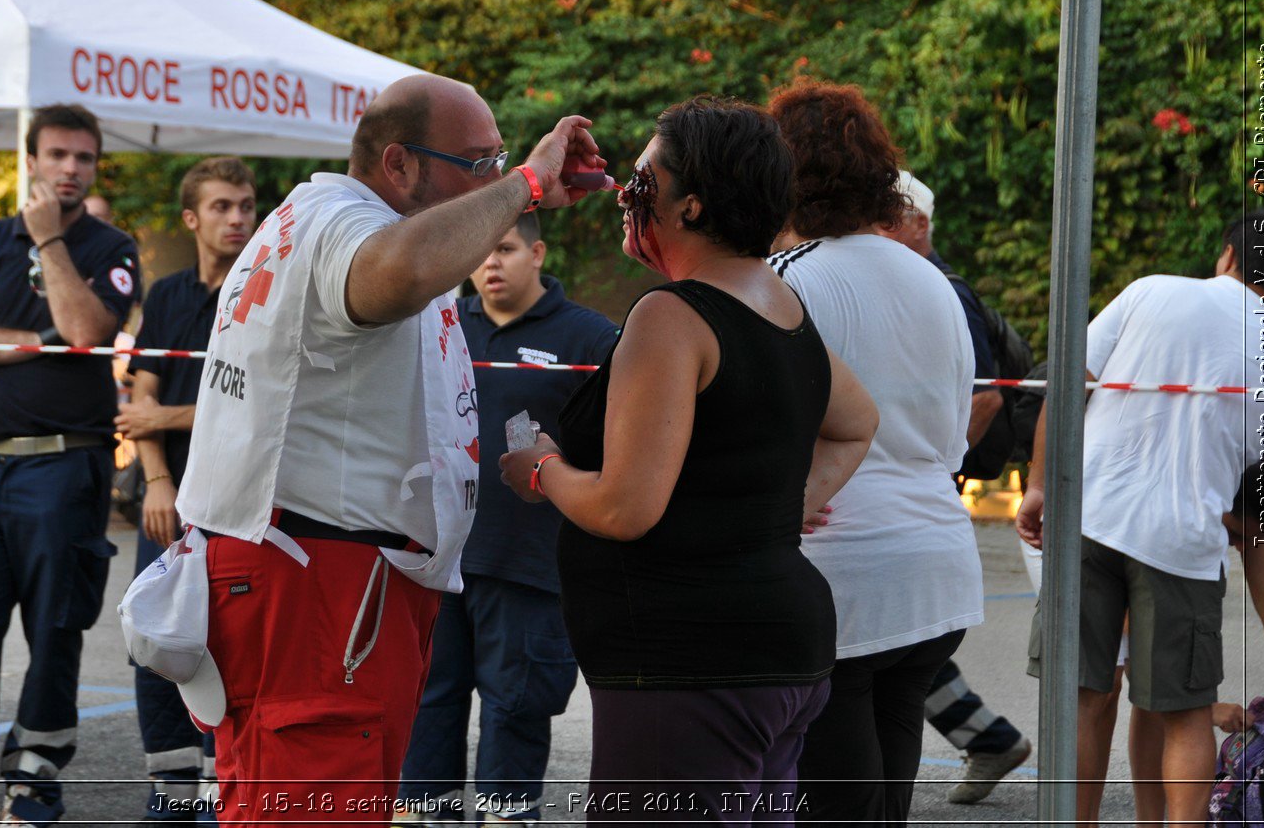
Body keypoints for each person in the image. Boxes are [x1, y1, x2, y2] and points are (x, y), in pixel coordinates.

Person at [173, 73, 603, 823]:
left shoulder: (343, 219)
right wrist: (528, 181)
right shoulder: (343, 221)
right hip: (318, 584)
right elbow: (394, 272)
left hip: (334, 577)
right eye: (479, 163)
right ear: (398, 164)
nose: (494, 181)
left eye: (503, 160)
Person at [500, 96, 879, 824]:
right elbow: (857, 421)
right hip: (775, 648)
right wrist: (772, 507)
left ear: (693, 205)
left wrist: (542, 470)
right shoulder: (779, 304)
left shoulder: (671, 316)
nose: (623, 198)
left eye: (641, 185)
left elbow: (623, 507)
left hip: (689, 664)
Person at [764, 81, 984, 828]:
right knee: (884, 798)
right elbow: (954, 437)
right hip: (937, 569)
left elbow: (760, 430)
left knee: (837, 806)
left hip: (843, 578)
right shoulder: (934, 282)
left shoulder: (788, 280)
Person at [0, 104, 141, 826]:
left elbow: (84, 329)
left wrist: (49, 243)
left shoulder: (113, 247)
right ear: (34, 160)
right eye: (57, 155)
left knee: (54, 631)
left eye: (83, 157)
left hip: (65, 465)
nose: (71, 168)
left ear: (94, 164)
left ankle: (34, 782)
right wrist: (30, 340)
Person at [1016, 211, 1264, 828]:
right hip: (1181, 545)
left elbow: (1069, 380)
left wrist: (1034, 486)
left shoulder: (1152, 288)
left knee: (1079, 698)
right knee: (1182, 712)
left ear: (1226, 256)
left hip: (1089, 516)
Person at [397, 212, 618, 824]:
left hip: (529, 561)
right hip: (435, 557)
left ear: (538, 252)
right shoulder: (437, 325)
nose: (491, 263)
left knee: (515, 705)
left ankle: (507, 815)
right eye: (482, 251)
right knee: (426, 698)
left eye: (506, 248)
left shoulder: (590, 339)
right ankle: (425, 811)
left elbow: (623, 446)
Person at [114, 156, 258, 821]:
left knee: (225, 655)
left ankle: (220, 796)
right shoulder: (167, 295)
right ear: (191, 218)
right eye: (223, 206)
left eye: (246, 205)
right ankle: (170, 793)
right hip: (170, 500)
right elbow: (136, 396)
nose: (237, 218)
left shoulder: (267, 289)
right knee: (154, 643)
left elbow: (258, 404)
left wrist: (164, 418)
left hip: (239, 500)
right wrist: (157, 479)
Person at [882, 171, 1033, 803]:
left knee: (892, 635)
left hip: (922, 484)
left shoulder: (943, 290)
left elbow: (987, 398)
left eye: (885, 215)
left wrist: (932, 467)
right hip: (912, 482)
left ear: (917, 222)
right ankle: (987, 737)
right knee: (897, 635)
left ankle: (987, 738)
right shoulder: (903, 284)